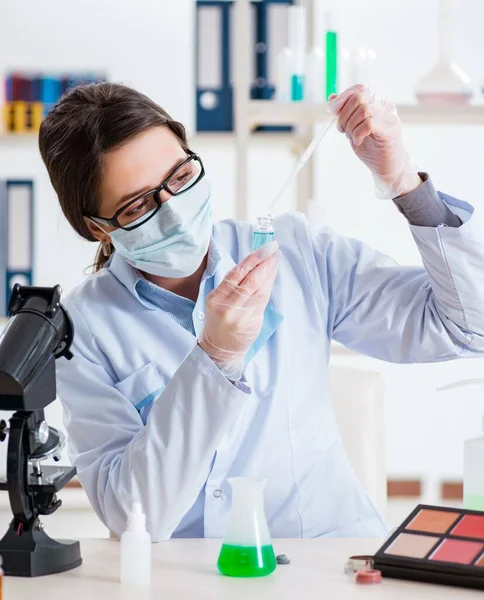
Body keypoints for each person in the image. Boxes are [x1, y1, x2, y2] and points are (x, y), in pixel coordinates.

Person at [39, 83, 484, 541]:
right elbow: (136, 517)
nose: (172, 212)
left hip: (330, 558)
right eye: (136, 205)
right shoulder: (80, 329)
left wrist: (405, 183)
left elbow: (469, 328)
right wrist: (215, 356)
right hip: (193, 574)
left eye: (178, 176)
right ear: (97, 228)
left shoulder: (296, 252)